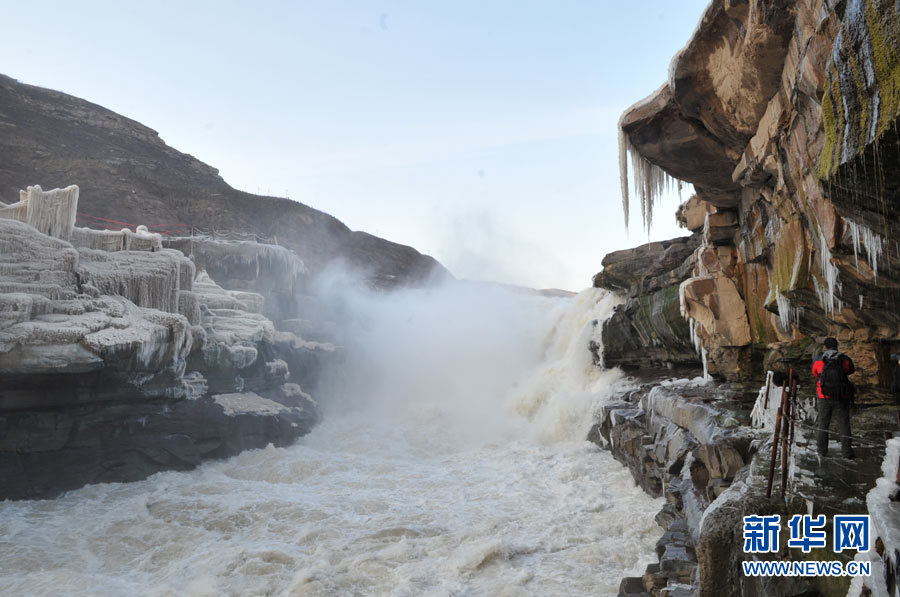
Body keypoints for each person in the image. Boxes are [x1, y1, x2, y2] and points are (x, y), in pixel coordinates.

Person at [811, 337, 856, 458]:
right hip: (842, 396)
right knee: (844, 424)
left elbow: (815, 373)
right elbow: (851, 370)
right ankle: (847, 453)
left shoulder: (818, 359)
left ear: (825, 347)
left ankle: (822, 451)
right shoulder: (844, 359)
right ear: (837, 346)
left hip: (823, 396)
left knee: (823, 424)